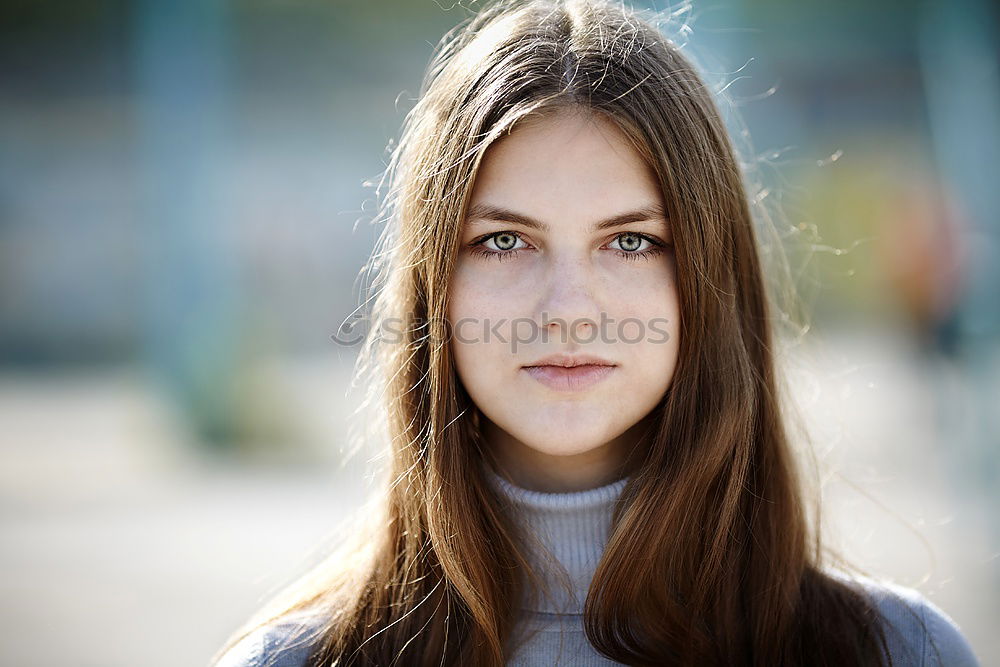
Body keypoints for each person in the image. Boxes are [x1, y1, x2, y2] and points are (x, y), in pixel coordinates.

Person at [210, 0, 981, 665]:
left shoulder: (897, 651)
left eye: (631, 242)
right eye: (505, 241)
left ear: (710, 282)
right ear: (434, 287)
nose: (569, 309)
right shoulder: (295, 660)